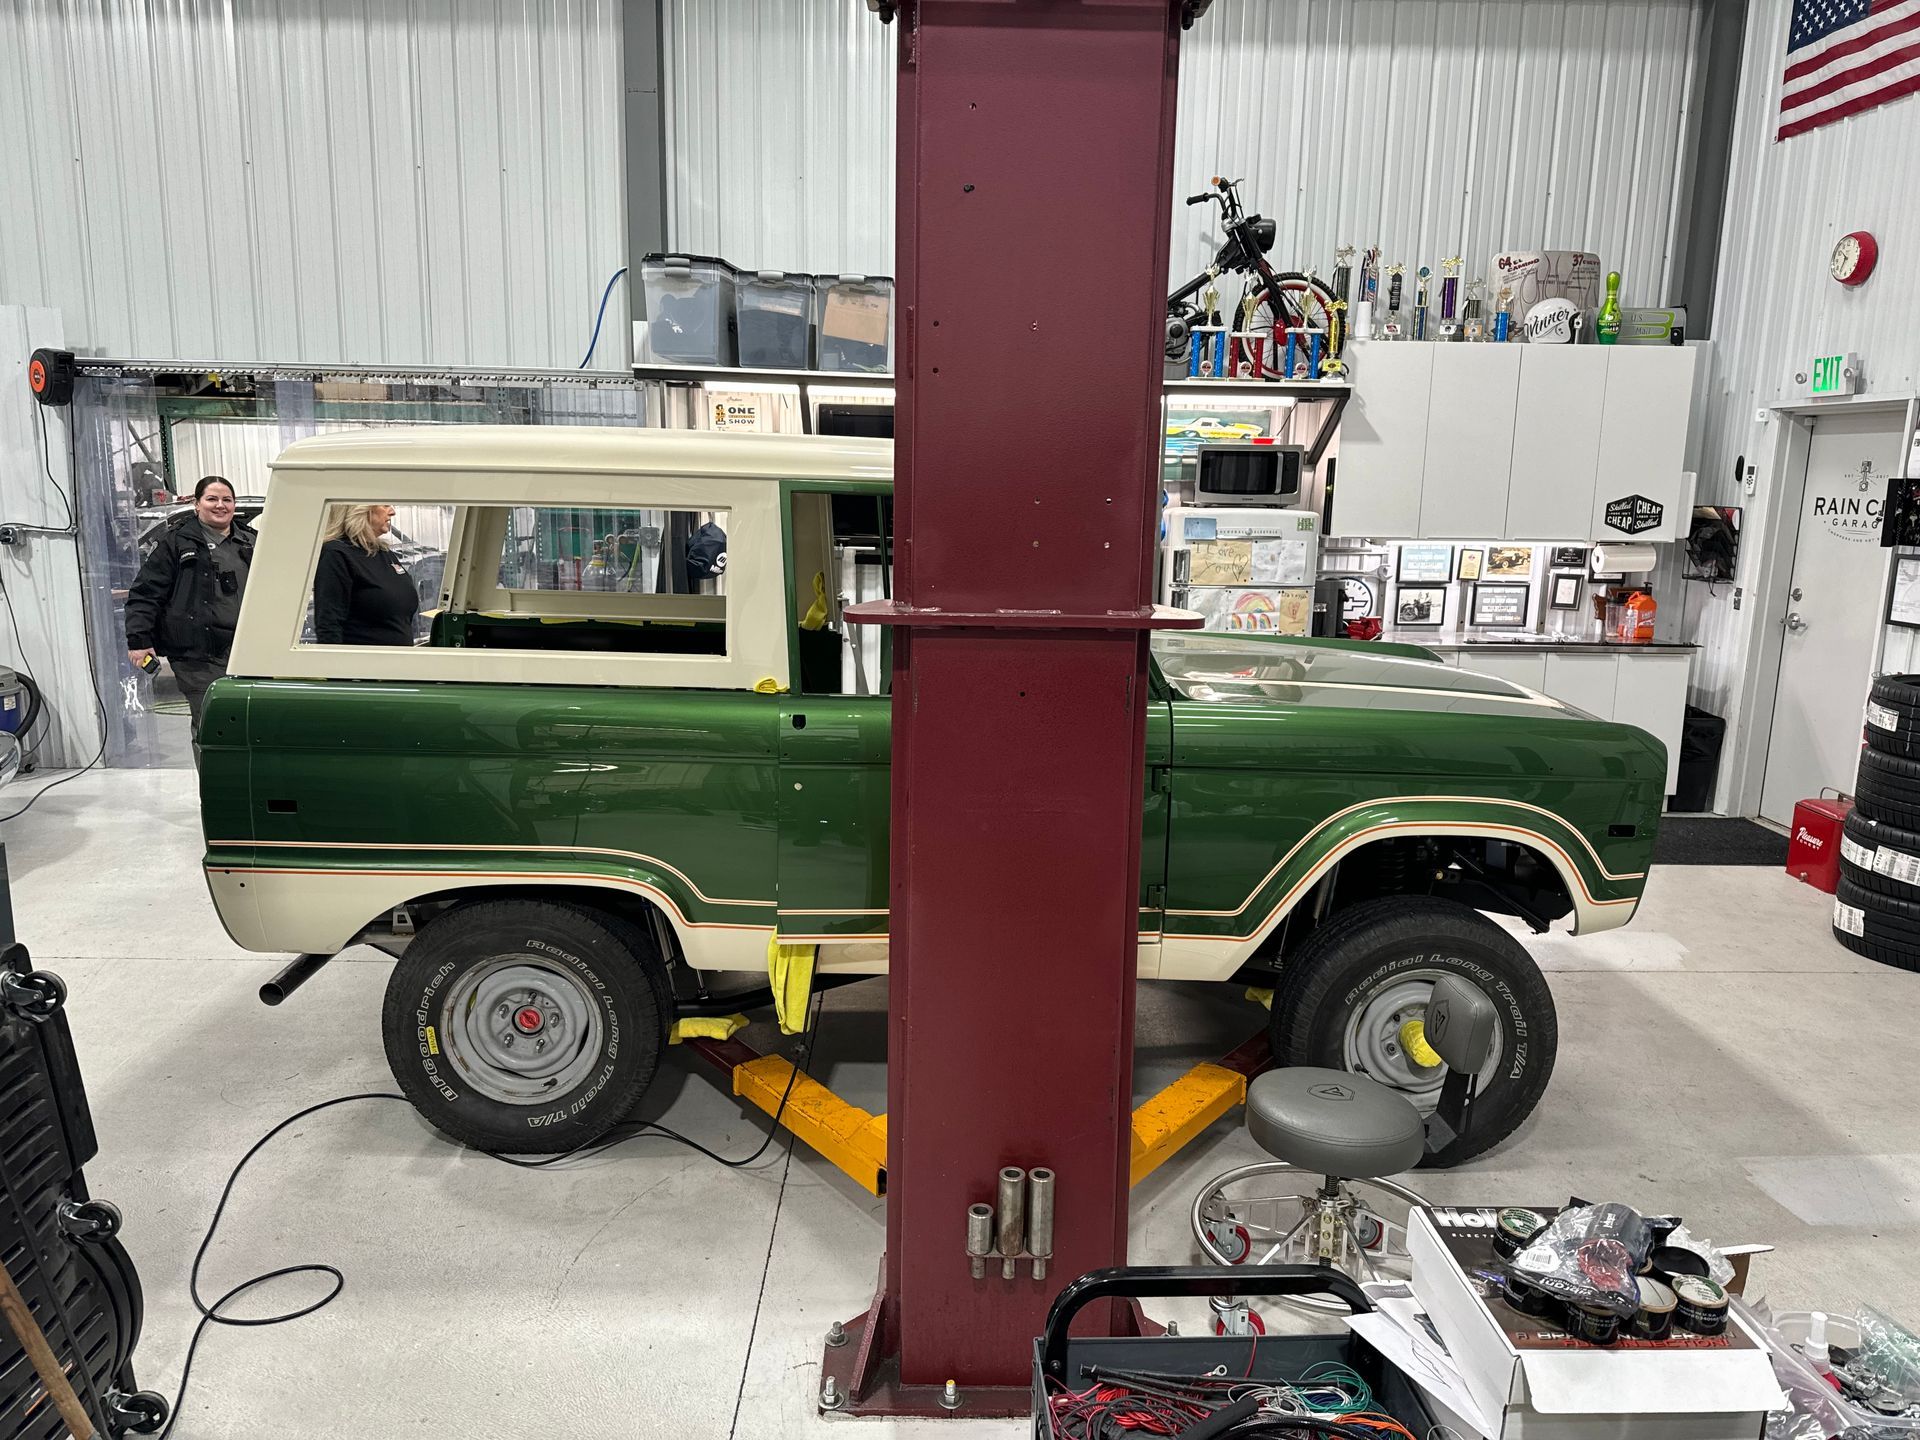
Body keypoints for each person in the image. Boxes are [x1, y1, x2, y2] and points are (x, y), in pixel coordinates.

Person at [124, 475, 254, 731]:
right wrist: (139, 641)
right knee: (213, 720)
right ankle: (211, 771)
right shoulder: (175, 542)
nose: (220, 505)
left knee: (247, 720)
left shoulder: (251, 541)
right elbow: (145, 594)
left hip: (244, 650)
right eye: (212, 499)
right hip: (196, 653)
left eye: (227, 499)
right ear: (197, 504)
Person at [314, 504, 420, 645]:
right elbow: (329, 625)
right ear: (360, 510)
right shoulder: (336, 554)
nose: (393, 512)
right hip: (362, 664)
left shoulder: (383, 552)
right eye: (385, 505)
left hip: (397, 662)